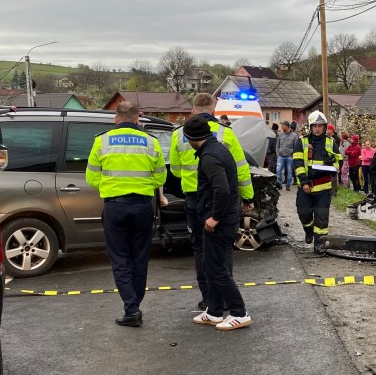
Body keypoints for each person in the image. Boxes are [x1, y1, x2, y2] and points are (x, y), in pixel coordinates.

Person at [86, 101, 166, 327]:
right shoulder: (152, 142)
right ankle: (135, 304)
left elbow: (91, 177)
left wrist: (112, 187)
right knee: (139, 257)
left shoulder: (101, 141)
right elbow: (160, 178)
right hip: (142, 206)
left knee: (120, 258)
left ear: (116, 118)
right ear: (138, 119)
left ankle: (131, 308)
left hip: (115, 206)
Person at [170, 93, 244, 310]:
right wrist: (247, 197)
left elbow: (174, 170)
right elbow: (241, 169)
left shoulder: (179, 135)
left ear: (193, 109)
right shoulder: (226, 133)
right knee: (224, 250)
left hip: (194, 199)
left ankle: (209, 298)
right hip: (223, 200)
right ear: (214, 110)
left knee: (200, 250)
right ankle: (225, 298)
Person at [182, 115, 253, 330]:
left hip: (220, 221)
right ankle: (213, 311)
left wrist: (214, 217)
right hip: (224, 218)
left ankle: (239, 313)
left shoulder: (209, 157)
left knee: (218, 269)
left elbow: (222, 190)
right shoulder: (218, 149)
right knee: (212, 267)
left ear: (191, 138)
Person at [292, 111, 341, 253]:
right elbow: (298, 163)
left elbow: (340, 162)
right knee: (303, 212)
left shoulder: (331, 142)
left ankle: (320, 245)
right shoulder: (301, 142)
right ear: (310, 127)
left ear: (324, 127)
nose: (318, 129)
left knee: (321, 218)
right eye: (315, 126)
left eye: (320, 126)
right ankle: (308, 230)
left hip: (323, 188)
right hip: (306, 186)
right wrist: (304, 182)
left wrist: (332, 164)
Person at [276, 121, 297, 191]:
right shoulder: (280, 135)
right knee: (278, 171)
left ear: (287, 126)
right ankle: (279, 184)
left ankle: (288, 186)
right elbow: (277, 145)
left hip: (289, 157)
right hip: (281, 157)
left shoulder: (294, 136)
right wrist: (278, 155)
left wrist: (293, 156)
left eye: (283, 125)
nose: (282, 127)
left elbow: (296, 147)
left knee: (290, 172)